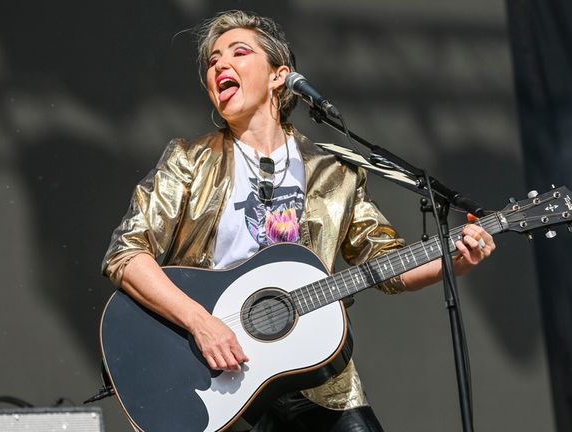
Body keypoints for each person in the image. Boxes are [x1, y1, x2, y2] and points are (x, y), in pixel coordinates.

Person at [101, 10, 495, 432]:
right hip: (218, 380)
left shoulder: (335, 170)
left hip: (319, 378)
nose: (219, 66)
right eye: (212, 61)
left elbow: (386, 264)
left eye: (238, 52)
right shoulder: (190, 160)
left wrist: (459, 259)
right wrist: (202, 323)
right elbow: (125, 254)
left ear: (279, 76)